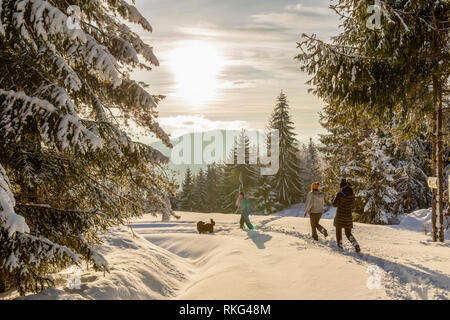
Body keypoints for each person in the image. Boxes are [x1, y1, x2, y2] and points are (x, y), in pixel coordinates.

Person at [332, 178, 360, 252]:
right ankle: (355, 244)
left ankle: (340, 246)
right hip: (348, 216)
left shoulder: (340, 194)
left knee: (338, 231)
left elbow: (334, 204)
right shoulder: (352, 195)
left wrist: (332, 199)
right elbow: (353, 207)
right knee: (348, 233)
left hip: (340, 215)